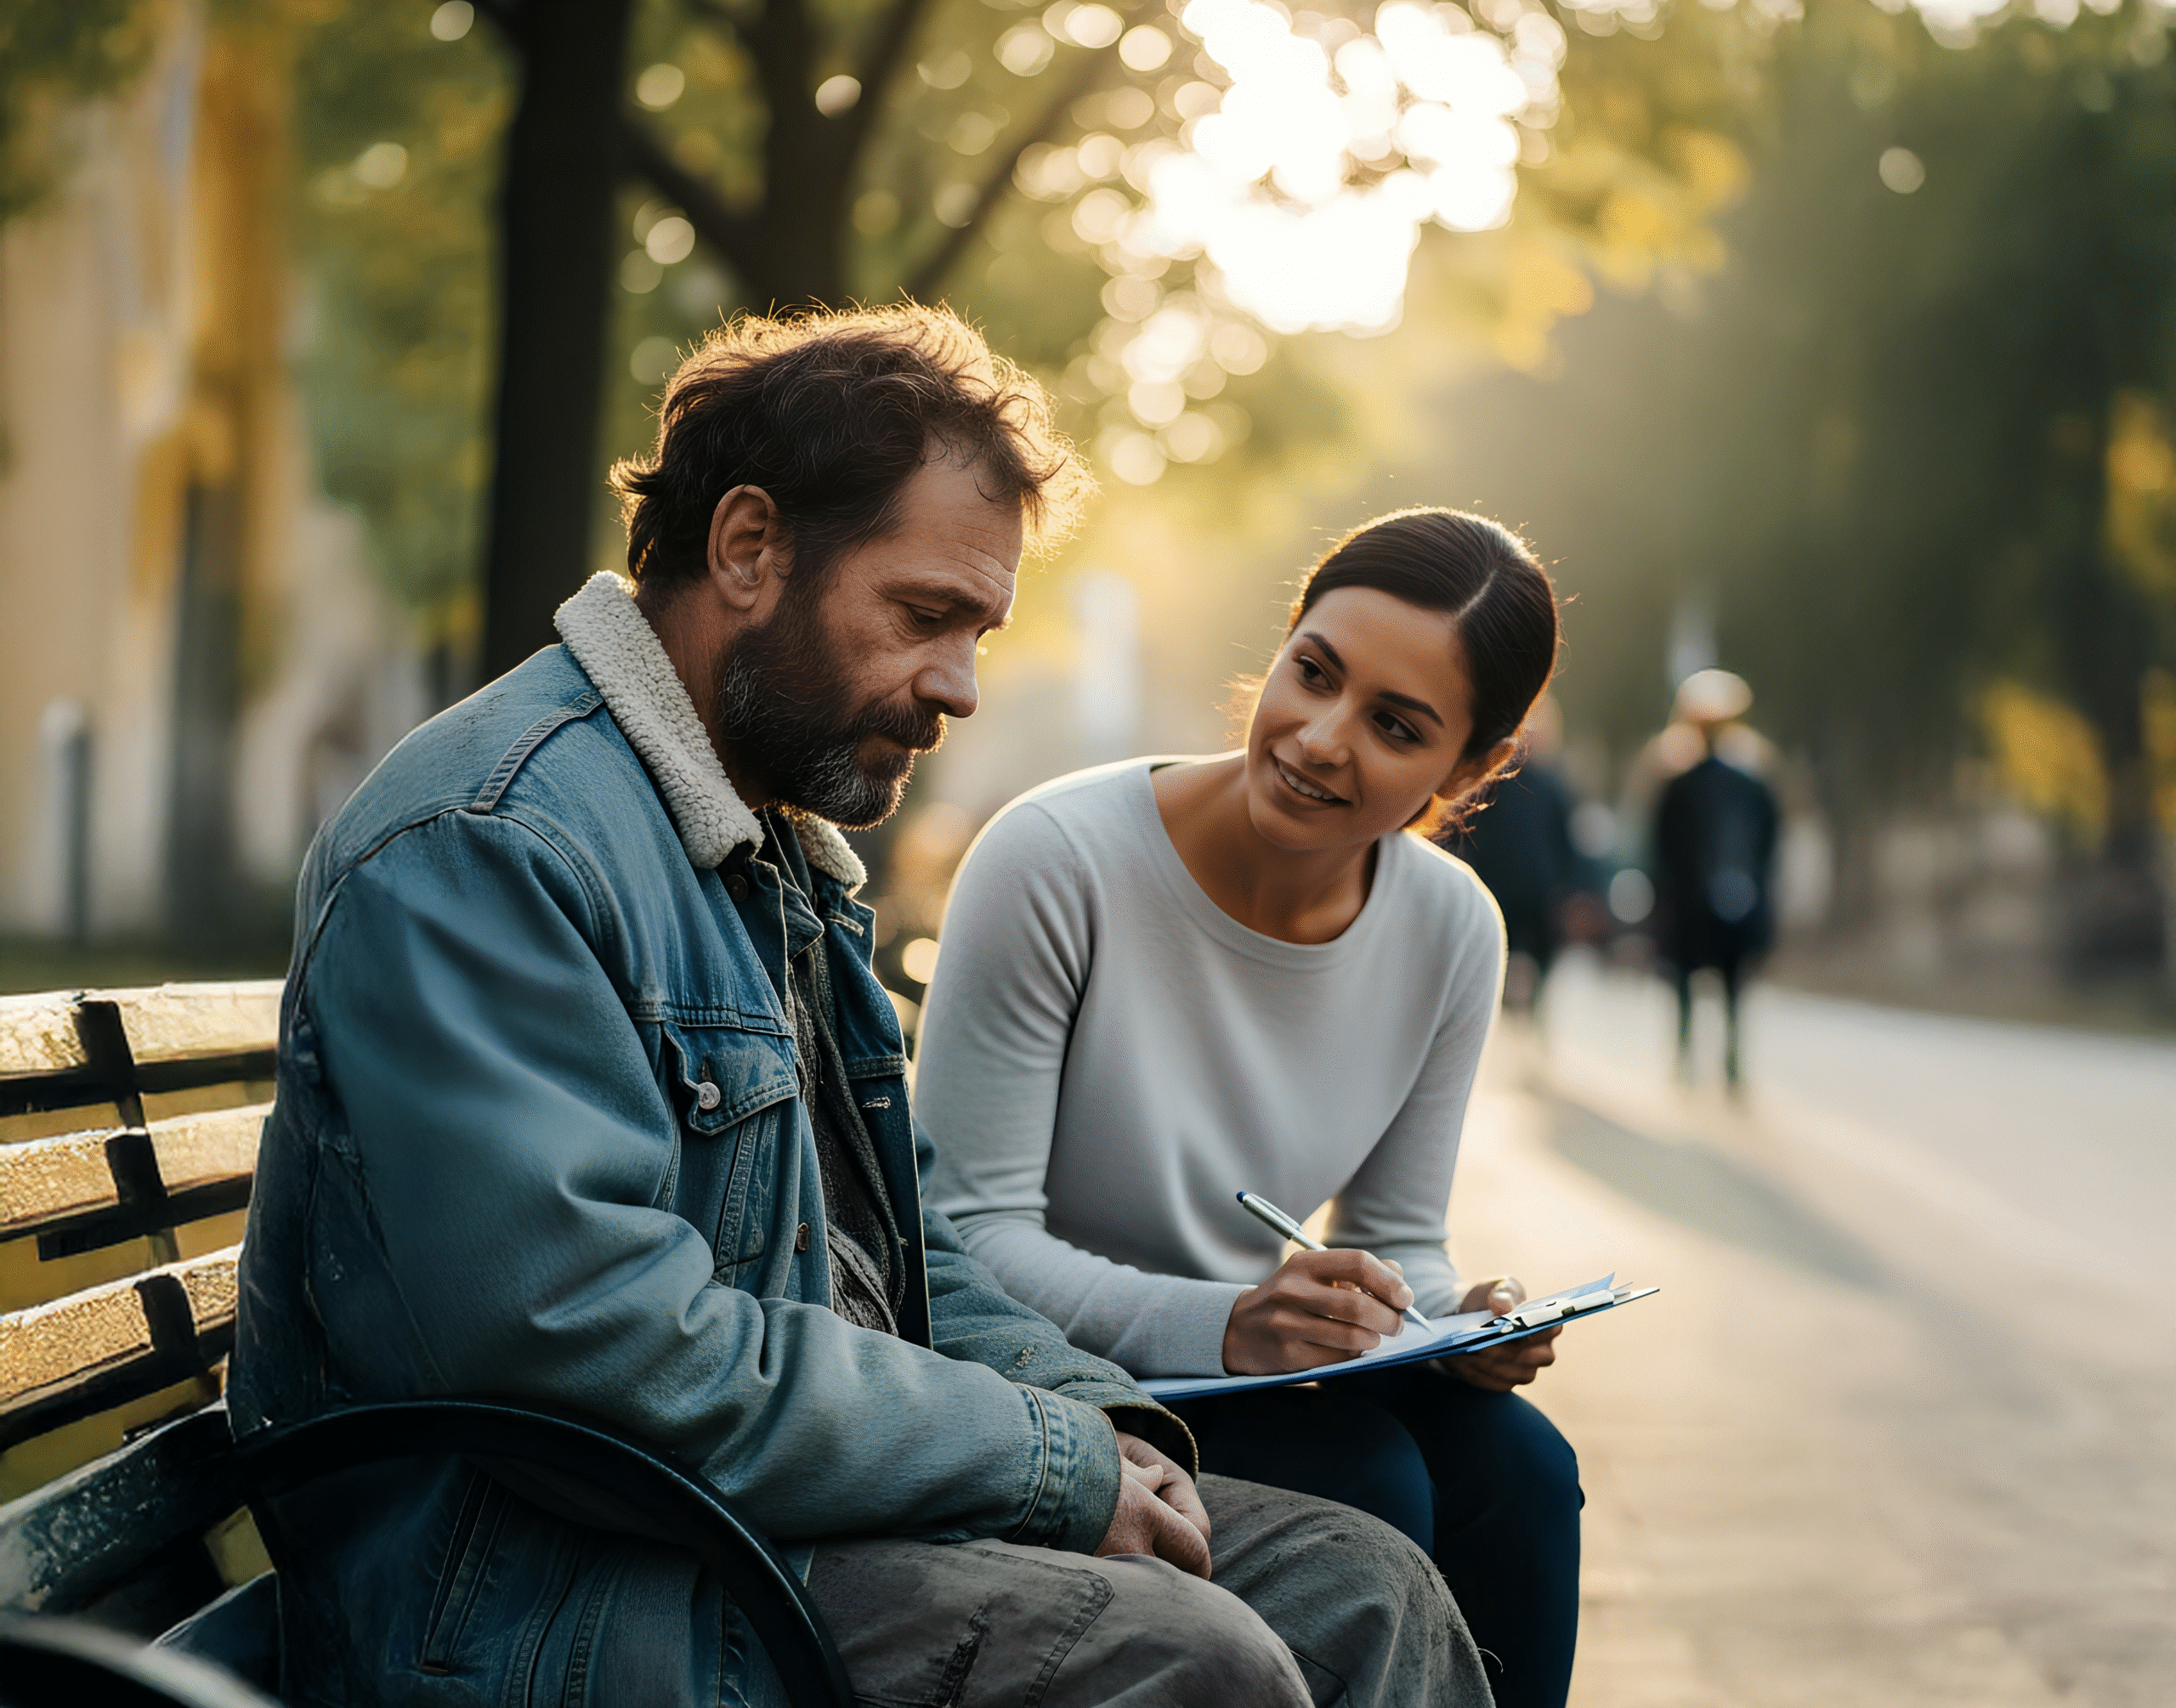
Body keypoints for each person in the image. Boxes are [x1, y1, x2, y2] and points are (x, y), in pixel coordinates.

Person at [229, 309, 1492, 1708]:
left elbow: (914, 1253)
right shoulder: (495, 842)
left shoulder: (766, 854)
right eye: (925, 616)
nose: (958, 685)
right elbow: (586, 1342)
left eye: (980, 631)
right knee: (1199, 1662)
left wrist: (1104, 1427)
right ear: (752, 548)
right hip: (543, 1592)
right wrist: (1046, 1467)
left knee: (1365, 1589)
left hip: (758, 1520)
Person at [917, 509, 1584, 1708]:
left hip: (1245, 1369)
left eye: (1395, 725)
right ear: (1282, 645)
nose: (1321, 739)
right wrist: (1231, 1322)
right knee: (1368, 1472)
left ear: (1471, 768)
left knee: (1522, 1468)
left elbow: (1396, 1239)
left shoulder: (1450, 928)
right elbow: (959, 1239)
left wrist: (1456, 1321)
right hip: (1039, 1377)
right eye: (1314, 673)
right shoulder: (1057, 859)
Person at [1648, 668, 1780, 1086]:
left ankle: (1691, 1060)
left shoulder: (1679, 784)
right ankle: (1728, 1064)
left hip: (1691, 905)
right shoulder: (1752, 783)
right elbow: (1769, 846)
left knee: (1690, 986)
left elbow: (1660, 848)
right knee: (1731, 988)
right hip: (1733, 903)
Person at [1436, 694, 1588, 1012]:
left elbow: (1566, 840)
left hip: (1540, 892)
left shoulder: (1554, 785)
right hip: (1497, 884)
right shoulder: (1493, 784)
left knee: (1542, 961)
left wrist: (1570, 890)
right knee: (1495, 958)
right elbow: (1468, 830)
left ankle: (1534, 1015)